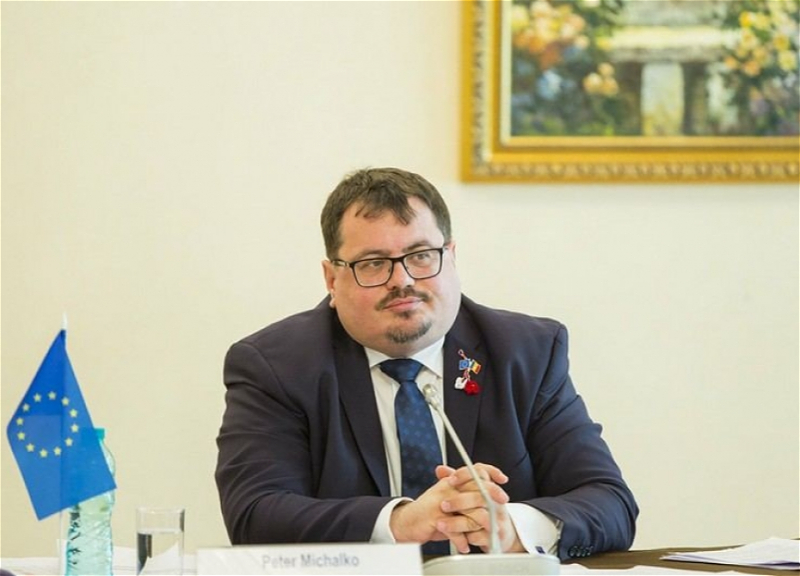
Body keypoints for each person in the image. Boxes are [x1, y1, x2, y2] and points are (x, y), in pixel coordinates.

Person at [215, 167, 638, 560]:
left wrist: (515, 527)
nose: (402, 280)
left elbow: (609, 502)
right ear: (332, 279)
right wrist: (400, 523)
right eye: (373, 264)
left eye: (421, 255)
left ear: (451, 256)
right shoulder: (278, 366)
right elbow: (255, 515)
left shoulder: (526, 352)